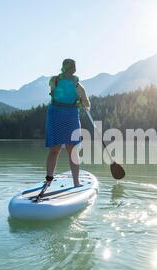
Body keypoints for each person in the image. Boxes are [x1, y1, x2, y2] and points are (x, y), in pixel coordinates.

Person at [40, 59, 91, 197]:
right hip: (63, 115)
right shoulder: (73, 84)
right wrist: (81, 101)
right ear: (73, 69)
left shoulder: (59, 81)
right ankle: (69, 182)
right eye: (73, 67)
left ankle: (59, 181)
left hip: (62, 115)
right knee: (64, 150)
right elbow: (86, 104)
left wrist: (80, 101)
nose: (73, 69)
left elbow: (54, 94)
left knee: (61, 150)